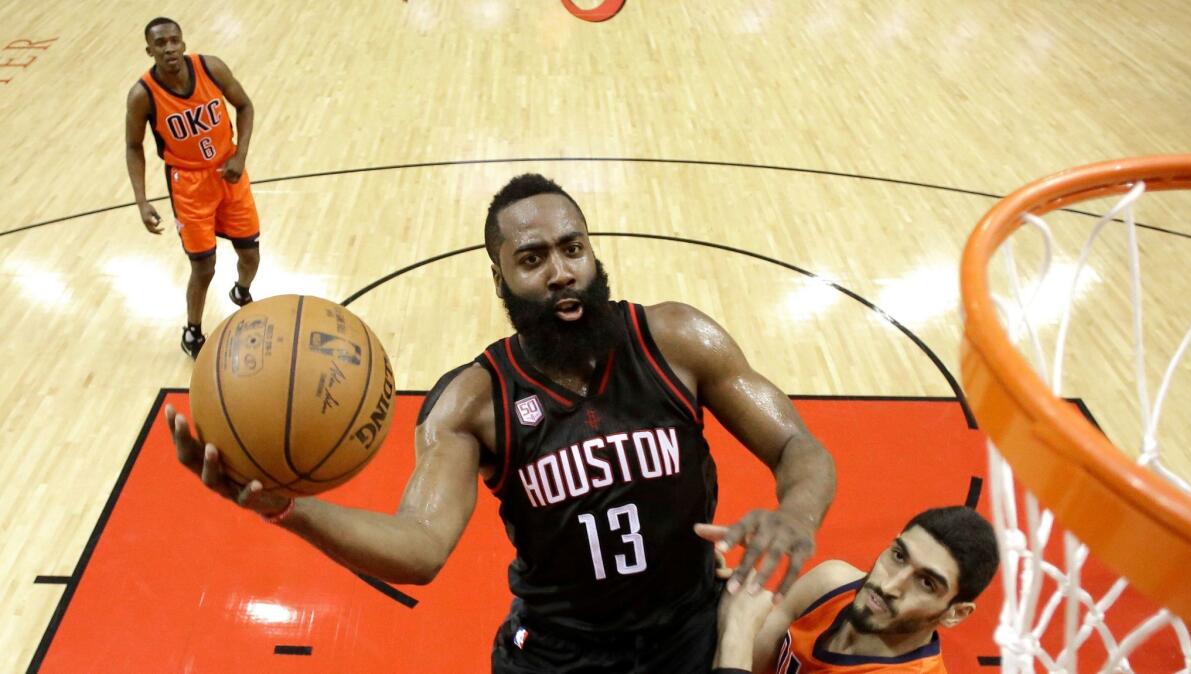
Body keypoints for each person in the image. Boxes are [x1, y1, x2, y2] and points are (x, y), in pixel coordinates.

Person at [165, 173, 837, 673]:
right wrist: (292, 511)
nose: (560, 273)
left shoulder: (676, 339)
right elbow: (420, 546)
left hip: (692, 630)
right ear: (500, 278)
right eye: (532, 257)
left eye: (573, 249)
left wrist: (798, 515)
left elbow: (797, 447)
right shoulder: (474, 401)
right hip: (560, 653)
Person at [704, 506, 999, 674]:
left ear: (956, 613)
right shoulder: (831, 583)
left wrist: (738, 632)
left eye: (926, 583)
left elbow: (738, 644)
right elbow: (751, 660)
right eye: (898, 556)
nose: (888, 585)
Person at [125, 17, 261, 358]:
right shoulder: (142, 95)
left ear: (183, 43)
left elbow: (245, 106)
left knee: (251, 254)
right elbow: (133, 146)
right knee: (204, 267)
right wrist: (141, 201)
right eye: (161, 43)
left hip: (229, 173)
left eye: (174, 40)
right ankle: (193, 330)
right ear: (150, 50)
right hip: (188, 185)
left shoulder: (211, 68)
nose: (169, 48)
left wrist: (240, 155)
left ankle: (241, 291)